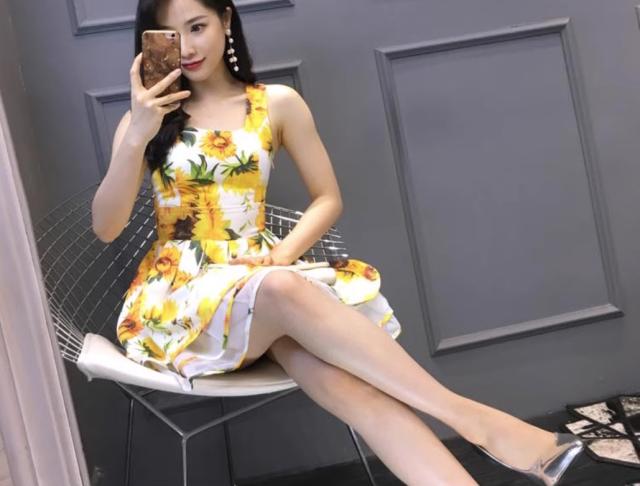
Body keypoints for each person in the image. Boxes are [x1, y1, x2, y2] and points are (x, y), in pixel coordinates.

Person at [91, 0, 585, 484]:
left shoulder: (276, 103)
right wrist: (137, 134)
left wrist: (281, 254)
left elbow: (328, 198)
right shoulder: (143, 122)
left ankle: (472, 444)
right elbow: (106, 227)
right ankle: (473, 420)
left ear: (225, 19)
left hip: (262, 286)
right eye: (171, 35)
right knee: (282, 288)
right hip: (181, 300)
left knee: (353, 390)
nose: (187, 47)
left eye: (197, 26)